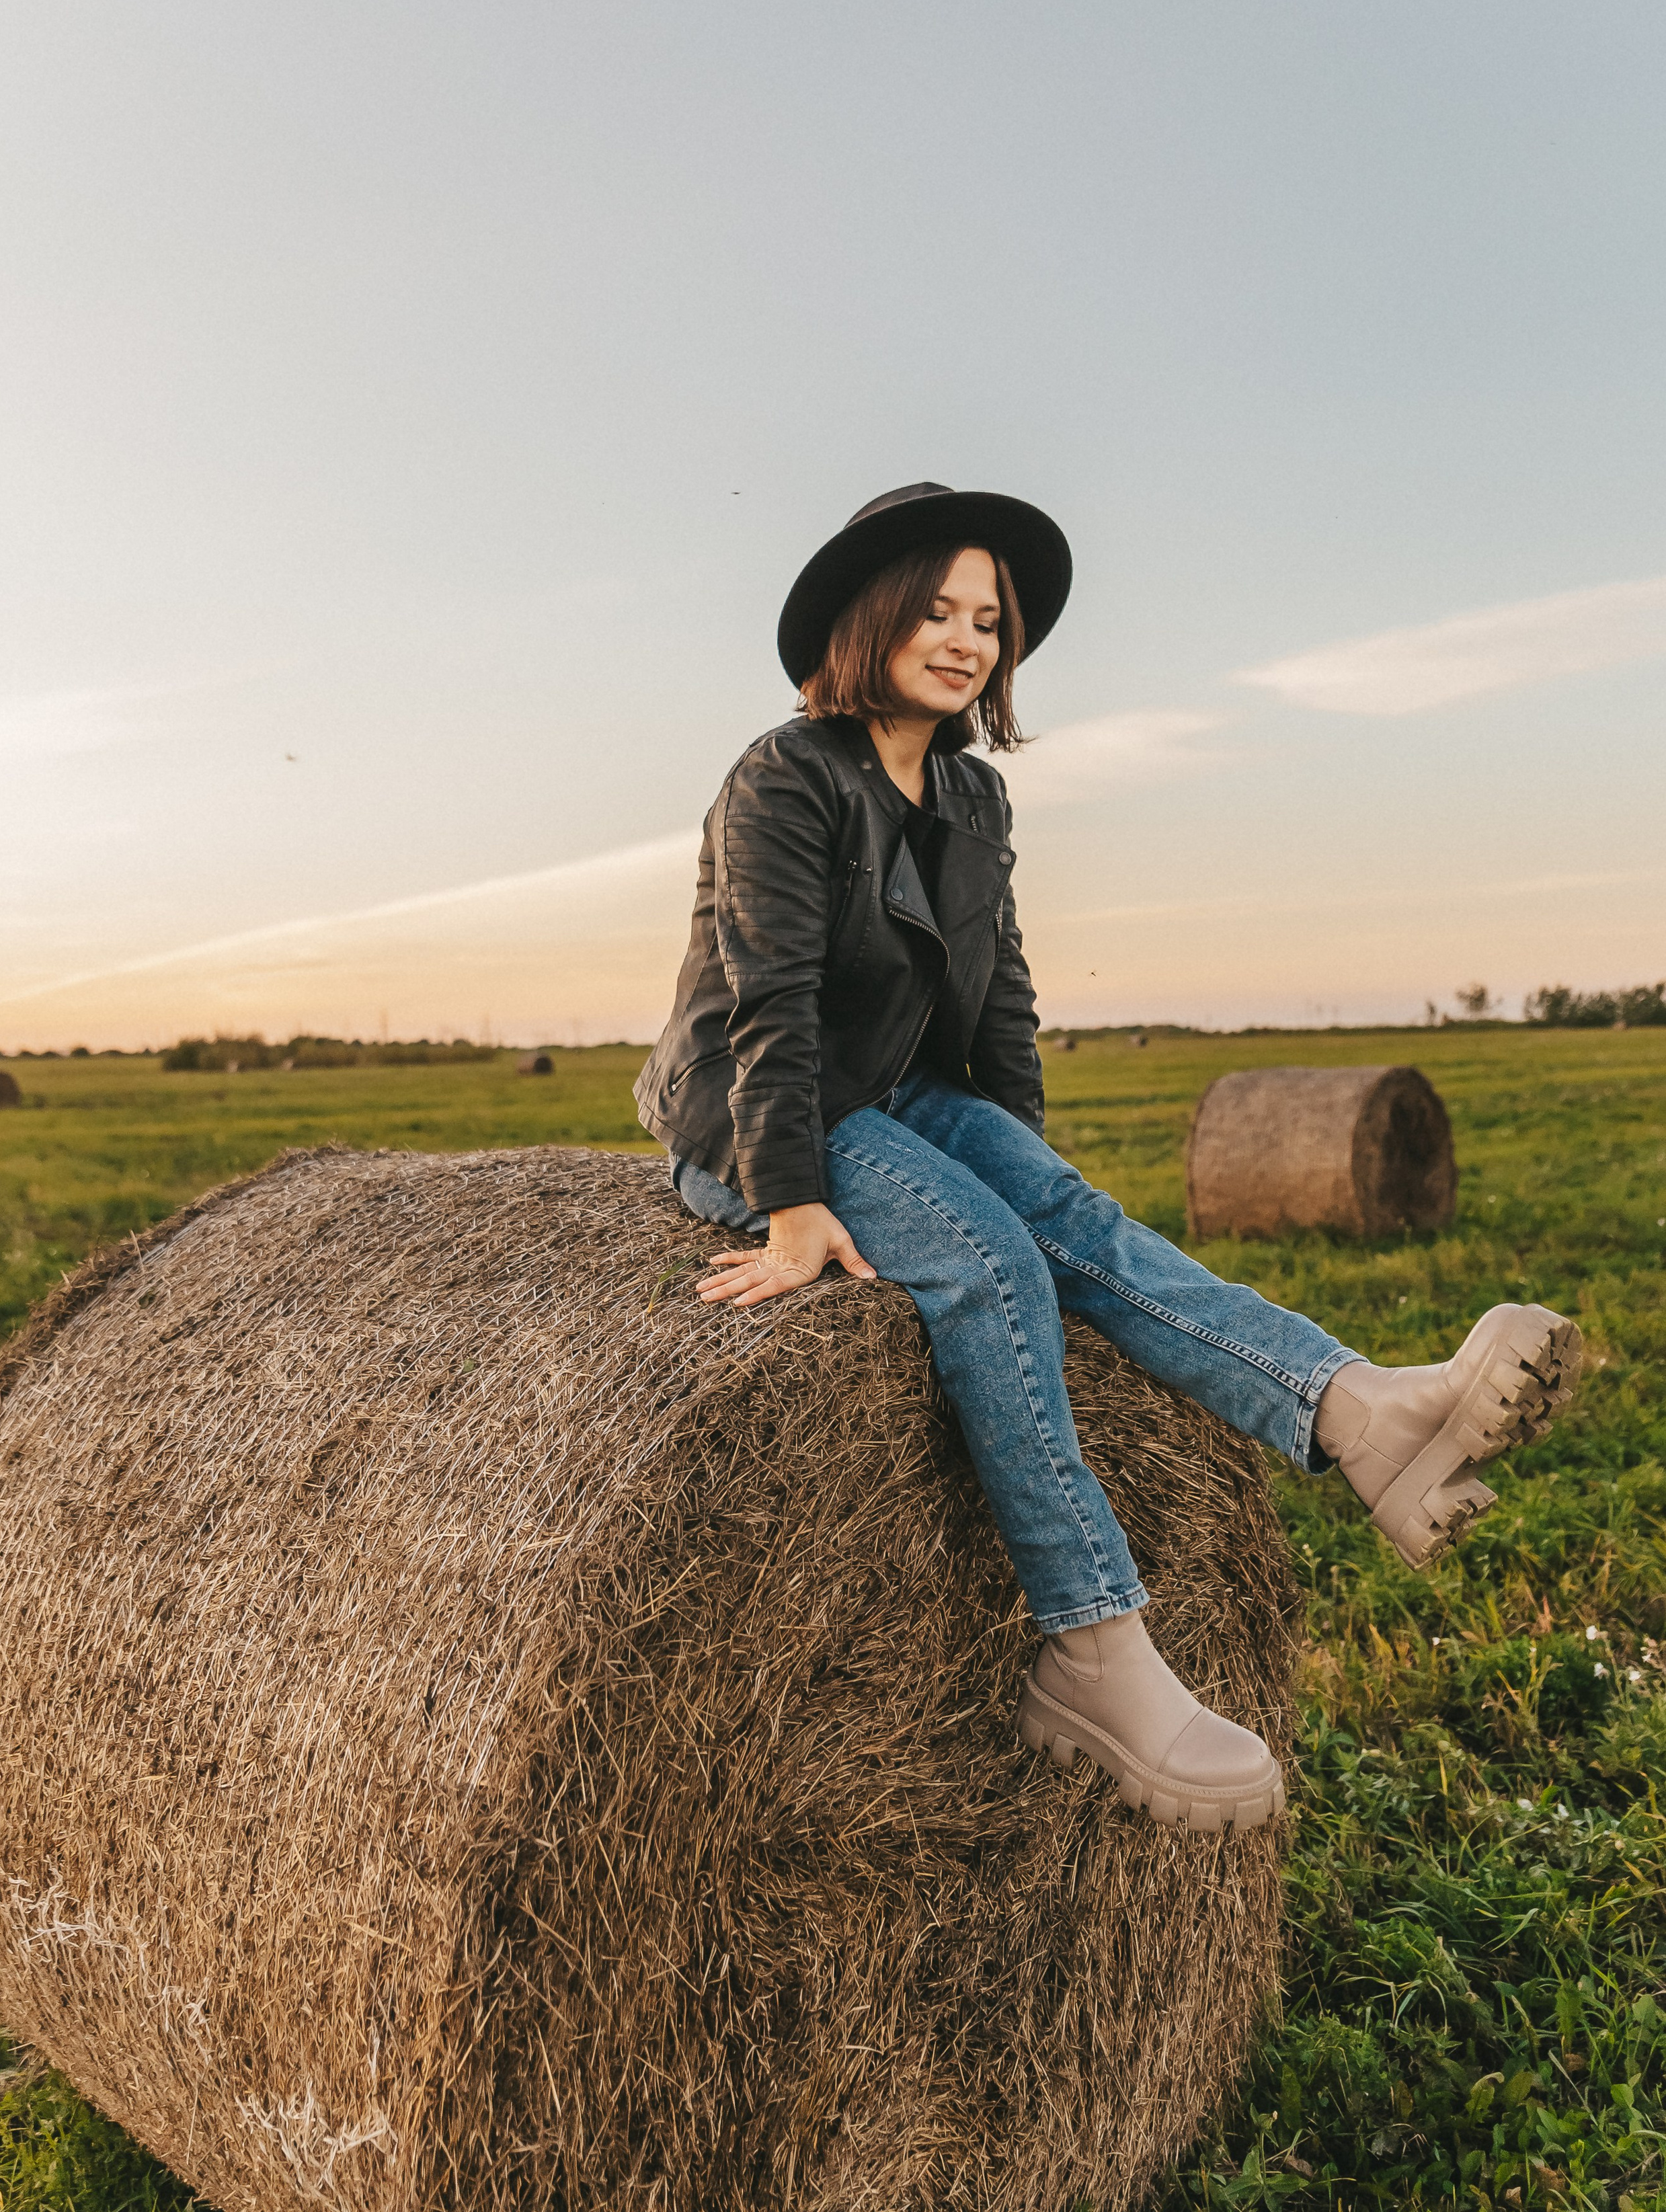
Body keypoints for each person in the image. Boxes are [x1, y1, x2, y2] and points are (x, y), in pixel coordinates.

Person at [634, 483, 1582, 1831]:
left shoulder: (968, 797)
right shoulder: (784, 778)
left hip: (898, 1094)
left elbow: (1000, 1004)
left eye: (987, 620)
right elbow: (769, 1000)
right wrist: (787, 1207)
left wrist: (1022, 1164)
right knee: (986, 1267)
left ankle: (1357, 1416)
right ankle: (1091, 1645)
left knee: (1070, 1225)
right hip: (753, 1112)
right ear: (869, 615)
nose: (964, 639)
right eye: (936, 610)